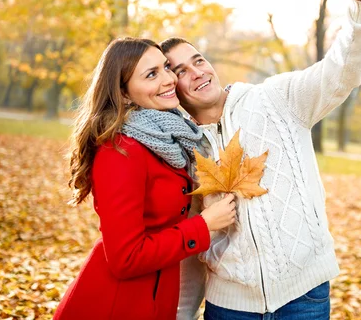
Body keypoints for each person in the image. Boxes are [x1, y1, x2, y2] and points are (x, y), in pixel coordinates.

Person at [161, 0, 361, 319]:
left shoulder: (276, 98)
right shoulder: (179, 148)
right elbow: (189, 246)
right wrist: (183, 313)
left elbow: (340, 71)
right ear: (172, 85)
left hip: (304, 297)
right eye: (181, 70)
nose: (197, 72)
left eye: (198, 59)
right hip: (229, 305)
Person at [54, 38, 236, 320]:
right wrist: (204, 226)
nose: (169, 79)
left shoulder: (167, 138)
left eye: (165, 67)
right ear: (125, 94)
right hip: (116, 305)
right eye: (152, 75)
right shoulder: (120, 150)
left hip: (155, 299)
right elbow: (125, 258)